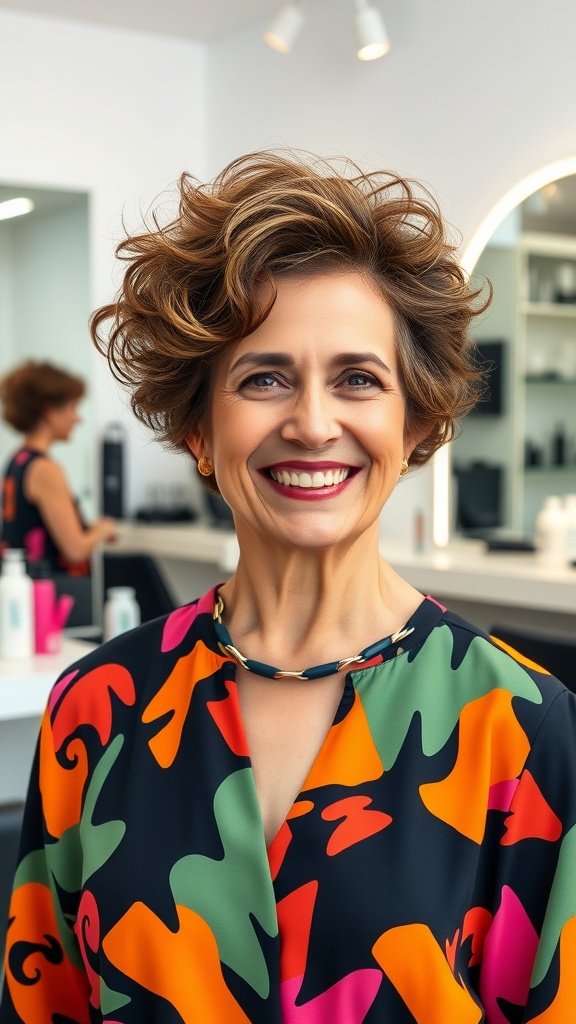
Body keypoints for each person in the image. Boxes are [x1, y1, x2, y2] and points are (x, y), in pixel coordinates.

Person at [1, 153, 574, 1024]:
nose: (311, 422)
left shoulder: (526, 731)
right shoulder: (97, 706)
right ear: (200, 427)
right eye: (263, 378)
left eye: (358, 379)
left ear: (413, 422)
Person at [0, 360, 117, 575]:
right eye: (72, 407)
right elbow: (75, 550)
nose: (77, 418)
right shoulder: (45, 469)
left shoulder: (17, 460)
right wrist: (103, 530)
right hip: (53, 596)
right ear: (50, 412)